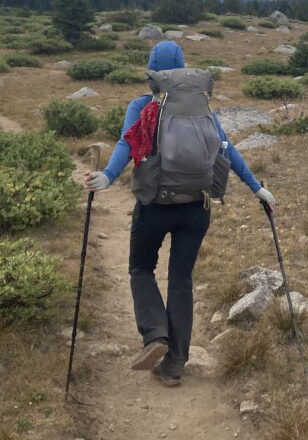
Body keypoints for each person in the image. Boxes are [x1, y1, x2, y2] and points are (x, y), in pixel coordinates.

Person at [84, 41, 276, 387]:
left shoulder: (143, 105)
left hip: (155, 205)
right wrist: (257, 188)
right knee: (181, 279)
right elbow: (227, 149)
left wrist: (108, 176)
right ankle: (174, 366)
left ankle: (155, 334)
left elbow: (126, 144)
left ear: (152, 74)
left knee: (141, 268)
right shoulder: (202, 108)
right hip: (196, 208)